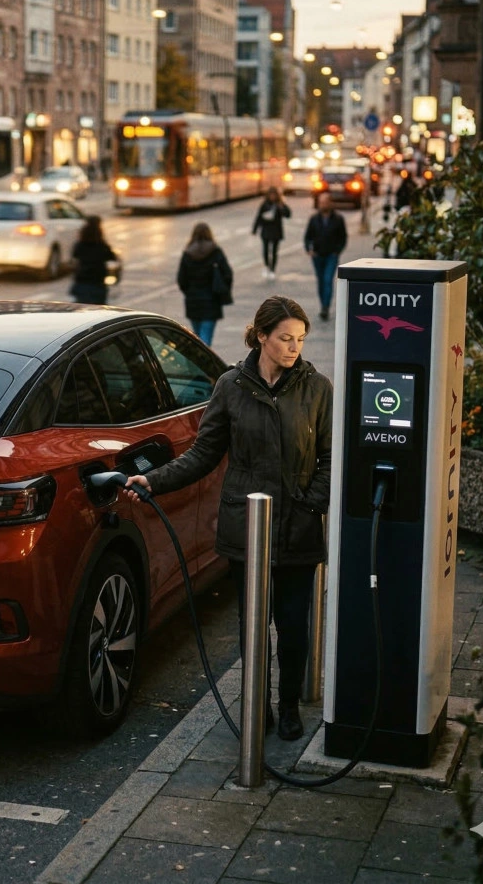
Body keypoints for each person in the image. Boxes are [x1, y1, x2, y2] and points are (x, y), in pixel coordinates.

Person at [123, 296, 331, 741]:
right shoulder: (231, 387)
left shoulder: (317, 389)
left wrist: (313, 501)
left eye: (300, 339)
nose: (294, 348)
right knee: (254, 627)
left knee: (294, 626)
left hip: (298, 527)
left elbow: (330, 456)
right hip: (248, 529)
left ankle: (289, 704)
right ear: (261, 336)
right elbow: (203, 454)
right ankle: (258, 703)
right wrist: (153, 481)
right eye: (285, 338)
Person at [176, 222, 233, 347]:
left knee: (196, 337)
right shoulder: (216, 252)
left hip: (193, 302)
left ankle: (196, 361)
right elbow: (227, 274)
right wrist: (220, 290)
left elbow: (181, 279)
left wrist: (189, 292)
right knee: (205, 339)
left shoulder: (187, 253)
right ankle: (203, 363)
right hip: (211, 302)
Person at [303, 191, 347, 321]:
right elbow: (307, 236)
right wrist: (309, 249)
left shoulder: (338, 219)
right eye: (321, 202)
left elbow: (343, 237)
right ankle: (323, 304)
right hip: (317, 255)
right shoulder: (314, 219)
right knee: (321, 281)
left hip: (331, 255)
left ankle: (325, 307)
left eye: (325, 202)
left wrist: (337, 251)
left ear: (330, 203)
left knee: (328, 280)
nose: (323, 204)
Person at [70, 215, 117, 304]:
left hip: (82, 280)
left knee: (81, 305)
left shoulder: (80, 244)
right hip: (97, 280)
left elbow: (74, 257)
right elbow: (112, 258)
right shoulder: (102, 245)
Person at [251, 187, 291, 280]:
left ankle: (272, 269)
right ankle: (266, 266)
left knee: (274, 252)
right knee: (265, 250)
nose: (272, 197)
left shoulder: (280, 204)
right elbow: (259, 217)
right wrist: (255, 229)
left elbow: (288, 214)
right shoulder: (264, 204)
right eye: (271, 195)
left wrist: (281, 207)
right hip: (266, 230)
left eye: (274, 195)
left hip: (276, 231)